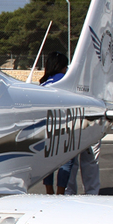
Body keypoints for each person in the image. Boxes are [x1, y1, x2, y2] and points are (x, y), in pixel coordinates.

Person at [40, 52, 73, 195]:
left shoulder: (44, 83)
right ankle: (60, 192)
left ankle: (49, 190)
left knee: (48, 161)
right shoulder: (66, 81)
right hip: (64, 125)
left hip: (47, 127)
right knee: (66, 161)